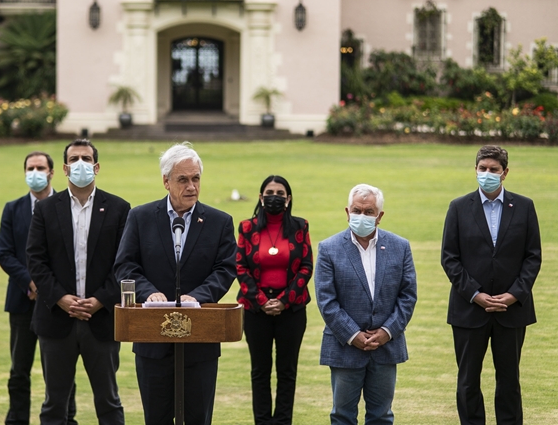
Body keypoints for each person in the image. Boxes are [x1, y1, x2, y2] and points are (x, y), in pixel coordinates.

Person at [114, 142, 237, 425]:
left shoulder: (219, 222)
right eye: (183, 179)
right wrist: (148, 293)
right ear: (166, 182)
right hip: (153, 344)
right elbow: (125, 265)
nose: (191, 186)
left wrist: (198, 296)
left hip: (200, 343)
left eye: (196, 178)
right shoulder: (141, 217)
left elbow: (225, 269)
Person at [26, 140, 131, 425]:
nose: (80, 164)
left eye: (86, 158)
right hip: (56, 320)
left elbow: (125, 263)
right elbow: (35, 260)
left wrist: (100, 300)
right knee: (54, 404)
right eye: (74, 159)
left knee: (109, 402)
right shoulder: (45, 209)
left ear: (96, 167)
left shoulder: (119, 208)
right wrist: (61, 298)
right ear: (64, 168)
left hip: (102, 320)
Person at [441, 145, 542, 425]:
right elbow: (449, 258)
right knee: (468, 382)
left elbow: (533, 257)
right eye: (482, 168)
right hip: (469, 310)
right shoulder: (459, 207)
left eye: (493, 169)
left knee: (509, 381)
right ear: (475, 170)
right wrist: (475, 294)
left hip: (511, 311)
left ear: (505, 172)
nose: (487, 173)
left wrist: (514, 295)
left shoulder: (524, 206)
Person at [315, 184, 416, 425]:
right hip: (345, 348)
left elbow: (408, 296)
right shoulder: (329, 249)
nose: (362, 216)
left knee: (381, 416)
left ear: (379, 216)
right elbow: (326, 301)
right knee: (342, 417)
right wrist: (353, 335)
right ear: (347, 212)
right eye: (356, 210)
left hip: (385, 347)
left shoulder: (400, 247)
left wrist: (386, 332)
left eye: (368, 211)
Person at [0, 151, 77, 425]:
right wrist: (30, 282)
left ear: (52, 172)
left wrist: (49, 287)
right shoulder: (13, 209)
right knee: (19, 369)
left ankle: (66, 418)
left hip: (58, 302)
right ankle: (17, 419)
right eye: (30, 168)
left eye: (40, 168)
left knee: (60, 369)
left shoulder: (66, 206)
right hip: (23, 300)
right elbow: (5, 253)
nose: (35, 173)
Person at [235, 175, 313, 425]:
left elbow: (306, 267)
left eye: (280, 194)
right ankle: (262, 421)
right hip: (256, 310)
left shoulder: (300, 227)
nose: (274, 198)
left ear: (288, 199)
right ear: (261, 197)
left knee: (287, 371)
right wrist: (261, 300)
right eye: (269, 193)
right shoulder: (247, 228)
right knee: (260, 371)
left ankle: (282, 421)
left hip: (291, 309)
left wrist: (283, 301)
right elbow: (240, 267)